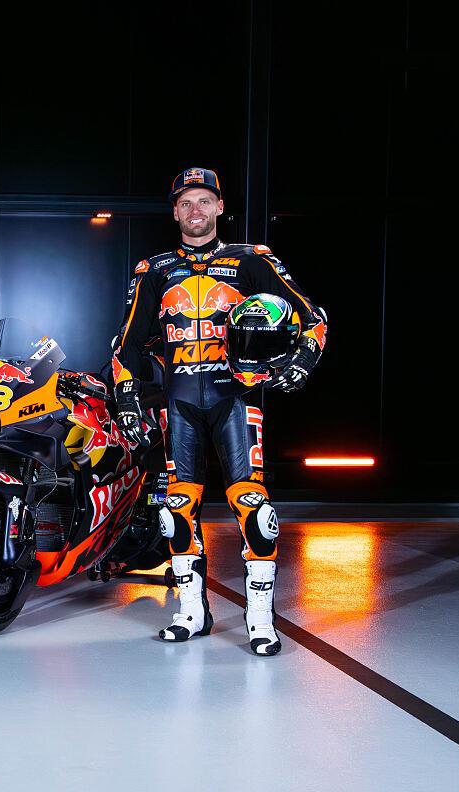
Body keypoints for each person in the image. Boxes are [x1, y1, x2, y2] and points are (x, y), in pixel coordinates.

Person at [111, 167, 327, 656]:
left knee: (254, 509)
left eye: (204, 201)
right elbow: (127, 343)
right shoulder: (154, 269)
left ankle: (260, 620)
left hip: (237, 397)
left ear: (220, 207)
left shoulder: (252, 259)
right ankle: (192, 612)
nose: (196, 210)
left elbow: (312, 318)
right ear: (174, 212)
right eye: (186, 202)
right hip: (179, 400)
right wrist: (126, 396)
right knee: (175, 511)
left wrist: (301, 362)